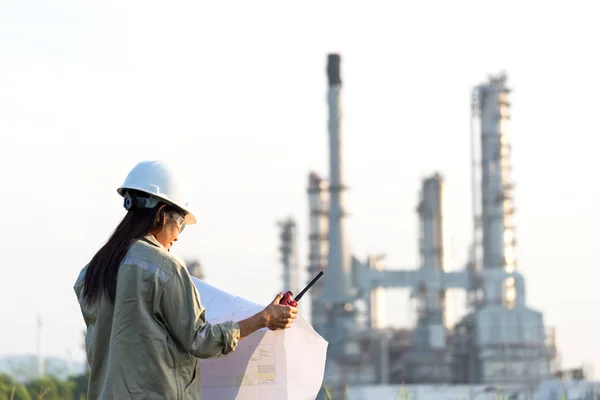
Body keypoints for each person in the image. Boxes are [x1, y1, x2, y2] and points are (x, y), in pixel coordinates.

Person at [73, 160, 298, 399]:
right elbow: (201, 339)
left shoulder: (92, 271)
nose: (178, 237)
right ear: (161, 214)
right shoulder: (164, 266)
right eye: (180, 223)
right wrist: (264, 318)